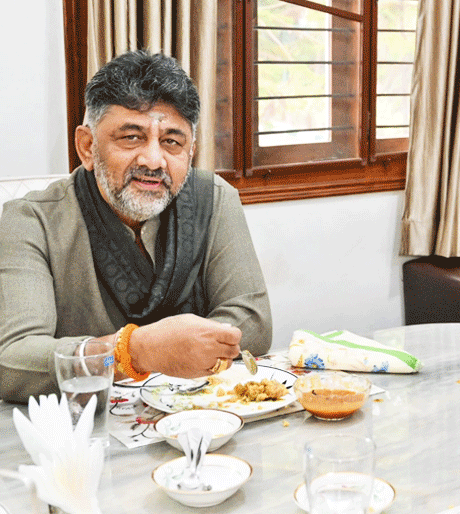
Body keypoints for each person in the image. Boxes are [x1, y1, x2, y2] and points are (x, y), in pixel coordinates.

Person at [0, 50, 272, 403]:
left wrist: (182, 350)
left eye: (172, 141)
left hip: (202, 413)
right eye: (131, 137)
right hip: (89, 431)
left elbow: (253, 322)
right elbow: (13, 360)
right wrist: (133, 350)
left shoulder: (215, 198)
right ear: (87, 147)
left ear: (191, 152)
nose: (153, 160)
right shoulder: (30, 220)